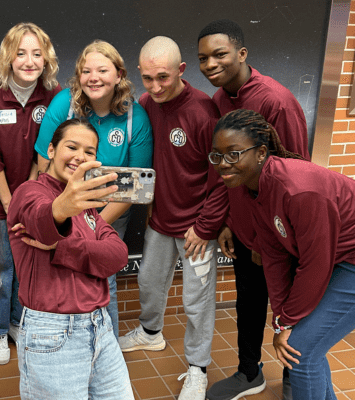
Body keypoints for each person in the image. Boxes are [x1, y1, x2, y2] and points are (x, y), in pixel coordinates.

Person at [210, 108, 355, 400]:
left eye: (233, 154)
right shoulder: (253, 186)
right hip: (346, 254)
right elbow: (274, 256)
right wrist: (283, 319)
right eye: (216, 155)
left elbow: (314, 264)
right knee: (307, 345)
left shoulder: (297, 189)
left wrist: (288, 323)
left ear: (260, 153)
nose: (223, 164)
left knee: (301, 351)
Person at [197, 19, 310, 400]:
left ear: (242, 54)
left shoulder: (275, 101)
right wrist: (230, 221)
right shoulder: (217, 100)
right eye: (203, 58)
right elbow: (227, 168)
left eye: (220, 54)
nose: (211, 64)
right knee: (248, 301)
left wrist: (274, 236)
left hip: (280, 230)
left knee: (291, 305)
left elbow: (299, 171)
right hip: (245, 227)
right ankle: (249, 373)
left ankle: (296, 376)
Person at [118, 36, 227, 400]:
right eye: (147, 79)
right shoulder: (146, 104)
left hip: (197, 228)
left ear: (182, 70)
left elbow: (223, 179)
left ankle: (197, 368)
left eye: (163, 77)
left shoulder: (203, 112)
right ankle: (151, 334)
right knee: (148, 284)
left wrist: (205, 226)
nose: (155, 87)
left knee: (196, 301)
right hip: (159, 223)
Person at [8, 118, 134, 399]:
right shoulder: (30, 192)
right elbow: (41, 222)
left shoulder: (88, 206)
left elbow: (117, 255)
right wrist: (61, 208)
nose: (81, 156)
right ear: (51, 150)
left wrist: (59, 248)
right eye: (72, 147)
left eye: (89, 152)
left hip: (101, 329)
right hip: (52, 333)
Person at [34, 40, 153, 338]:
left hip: (108, 214)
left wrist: (93, 225)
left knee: (102, 278)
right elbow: (43, 160)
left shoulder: (135, 118)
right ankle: (60, 342)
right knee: (57, 276)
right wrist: (63, 215)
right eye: (86, 71)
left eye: (102, 70)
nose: (93, 77)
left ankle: (105, 347)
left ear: (119, 75)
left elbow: (135, 185)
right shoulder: (65, 104)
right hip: (62, 210)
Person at [0, 22, 61, 366]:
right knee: (1, 266)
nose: (29, 61)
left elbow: (48, 149)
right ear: (8, 57)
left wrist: (27, 194)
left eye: (36, 54)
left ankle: (16, 323)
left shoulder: (53, 94)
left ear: (46, 58)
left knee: (27, 262)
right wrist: (9, 200)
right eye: (21, 53)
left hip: (34, 194)